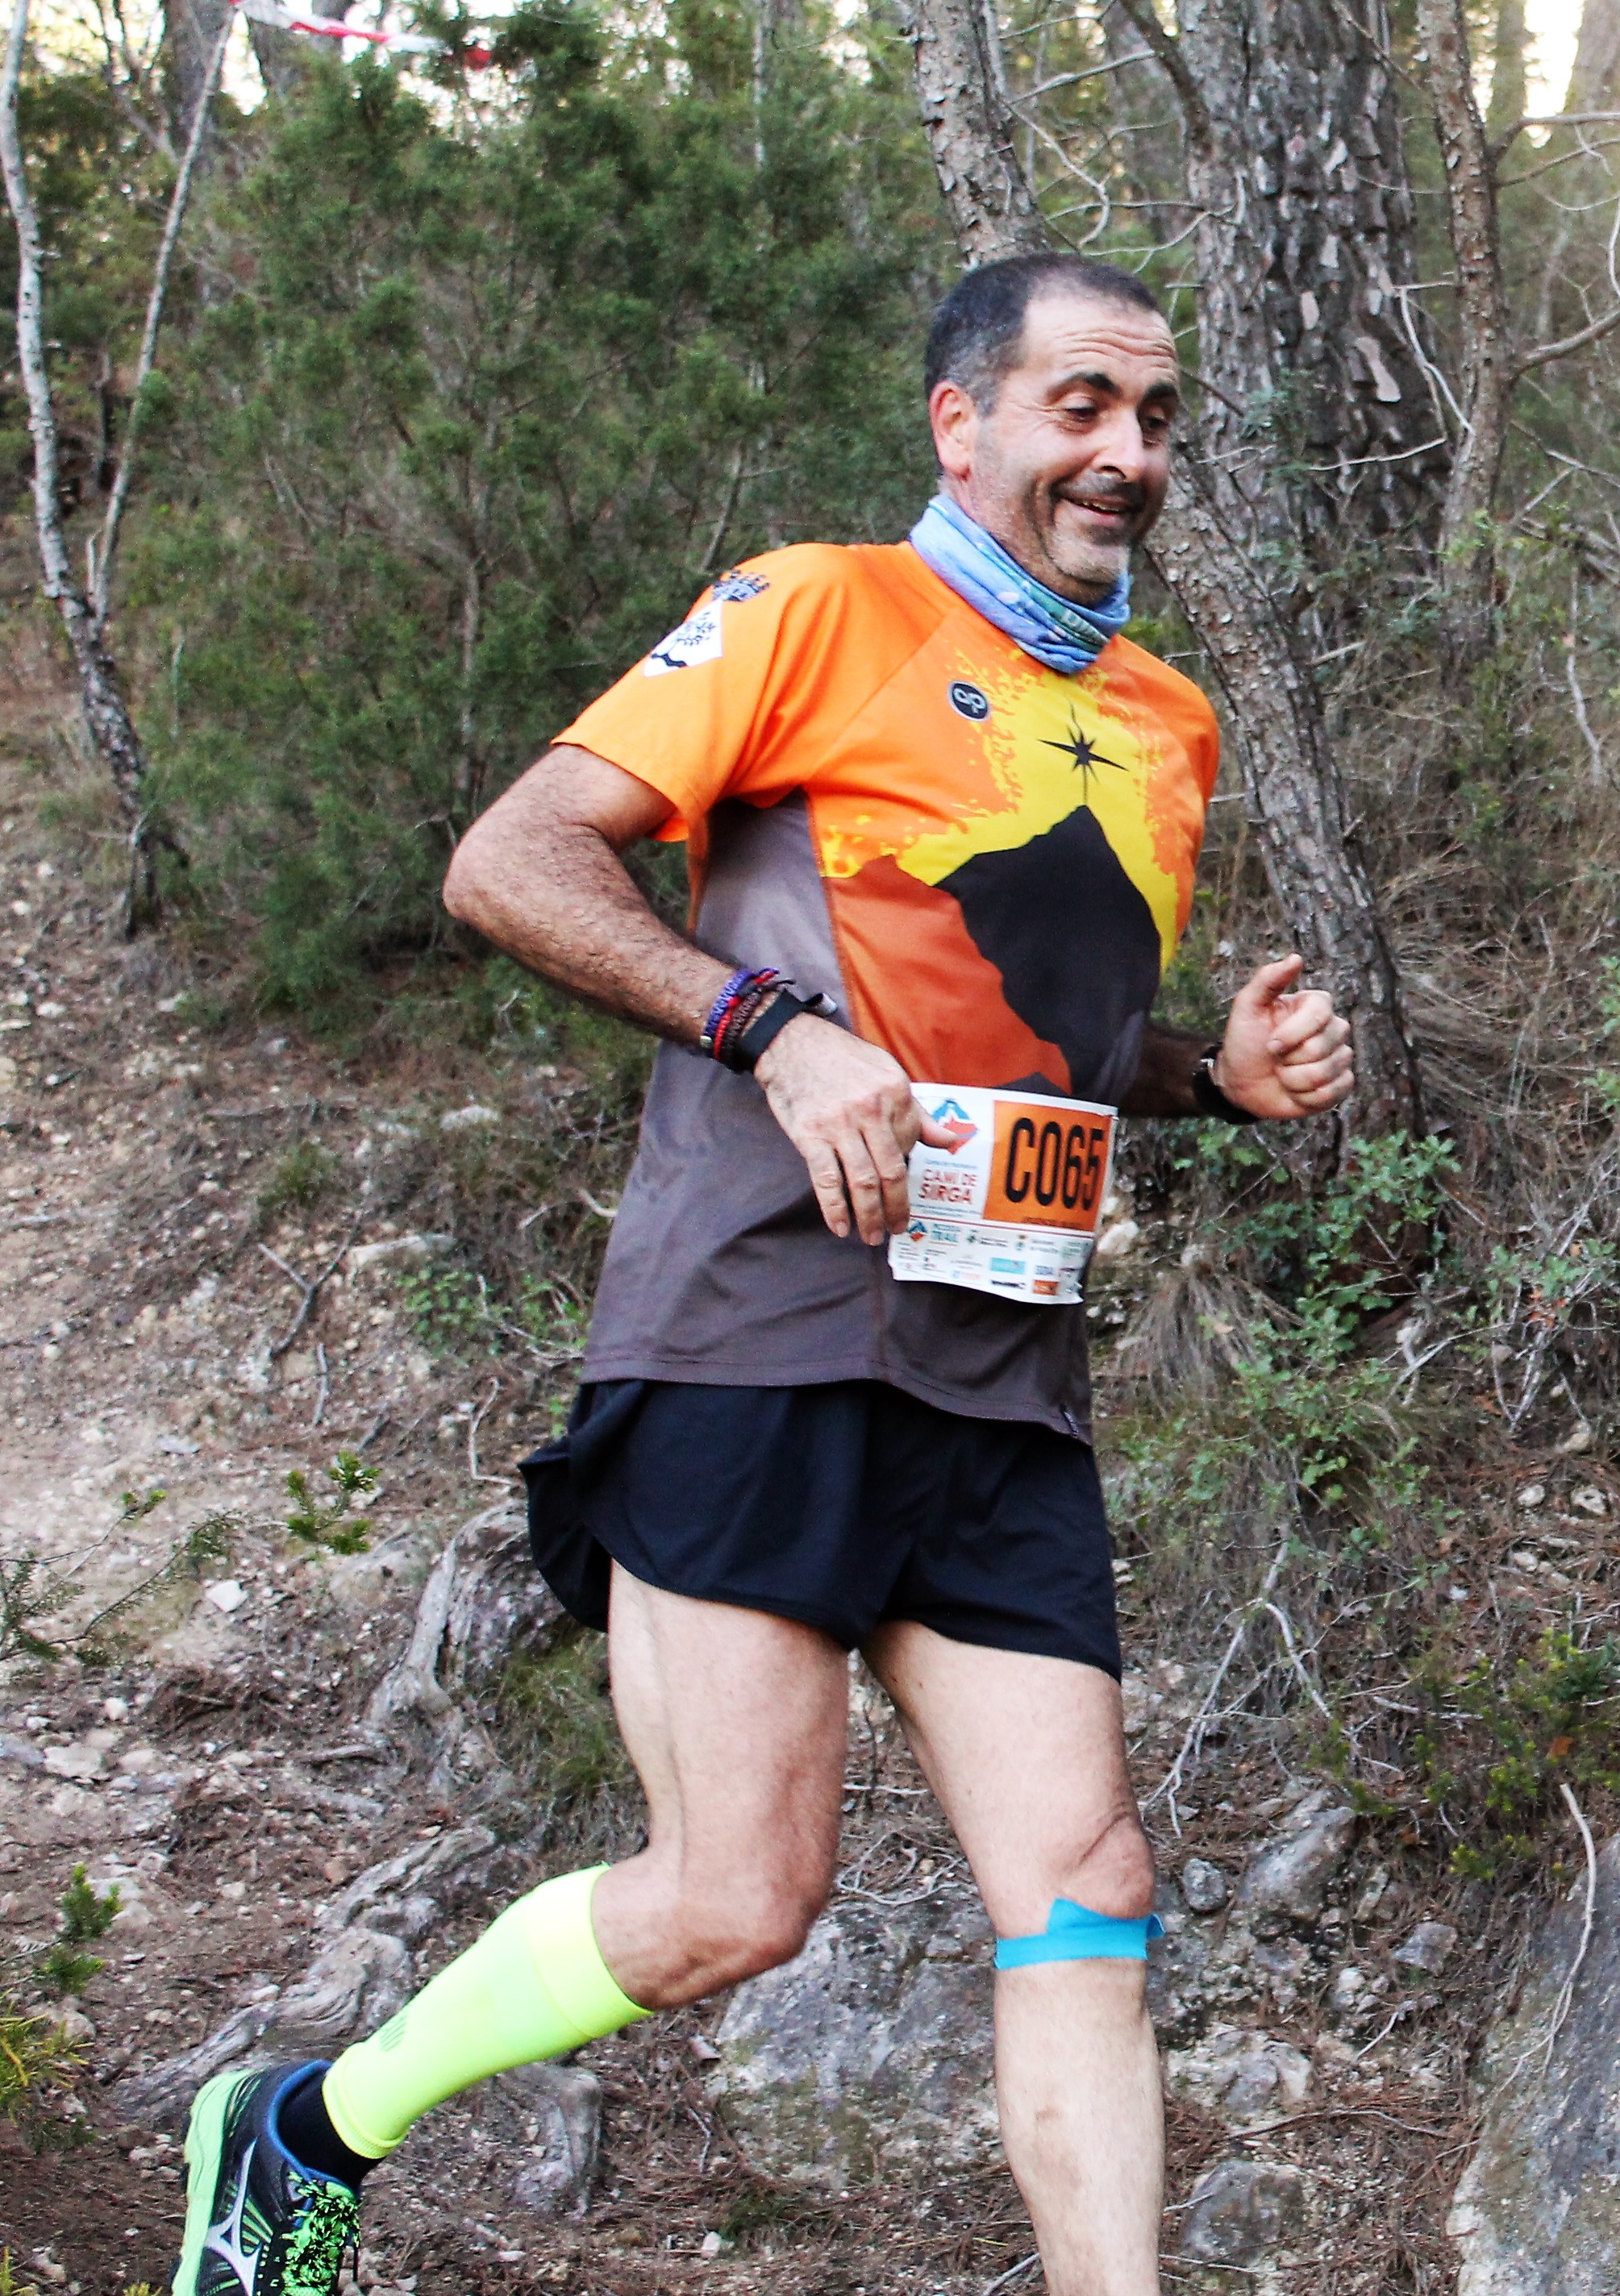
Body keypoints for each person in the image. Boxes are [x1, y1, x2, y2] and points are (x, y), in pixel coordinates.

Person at [170, 251, 1351, 2296]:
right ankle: (305, 2129)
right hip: (761, 1331)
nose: (1128, 454)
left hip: (1002, 1372)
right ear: (959, 423)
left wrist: (1210, 1079)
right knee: (736, 1898)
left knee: (1084, 1886)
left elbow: (1023, 1036)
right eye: (1081, 405)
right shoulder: (818, 607)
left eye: (1156, 419)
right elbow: (511, 859)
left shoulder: (1167, 718)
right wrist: (771, 1030)